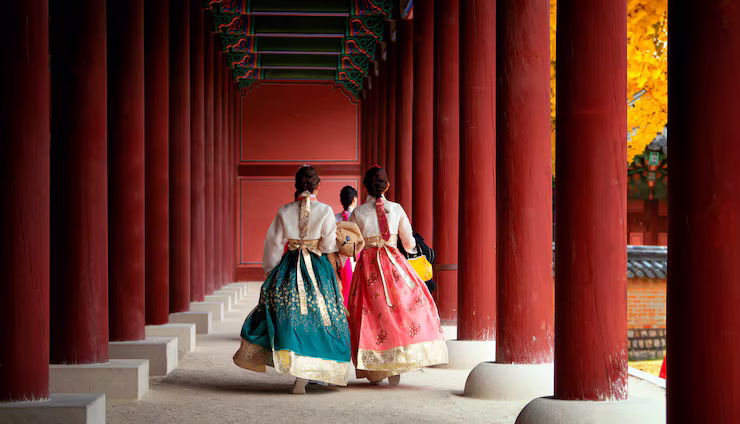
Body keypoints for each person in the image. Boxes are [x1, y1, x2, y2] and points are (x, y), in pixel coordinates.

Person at [233, 165, 351, 394]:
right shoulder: (326, 210)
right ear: (318, 186)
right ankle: (325, 369)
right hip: (318, 269)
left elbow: (274, 245)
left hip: (289, 268)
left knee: (292, 318)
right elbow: (327, 246)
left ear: (297, 186)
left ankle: (298, 373)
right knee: (324, 317)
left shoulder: (284, 211)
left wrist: (271, 271)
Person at [347, 166, 448, 385]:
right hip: (394, 263)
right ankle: (396, 363)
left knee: (370, 314)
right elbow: (410, 243)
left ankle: (374, 368)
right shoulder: (397, 209)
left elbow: (355, 246)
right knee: (397, 310)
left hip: (368, 266)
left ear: (365, 187)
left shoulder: (357, 213)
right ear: (387, 186)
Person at [335, 186, 359, 306]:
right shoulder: (359, 216)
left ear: (341, 201)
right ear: (355, 199)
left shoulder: (335, 218)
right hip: (356, 256)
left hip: (340, 257)